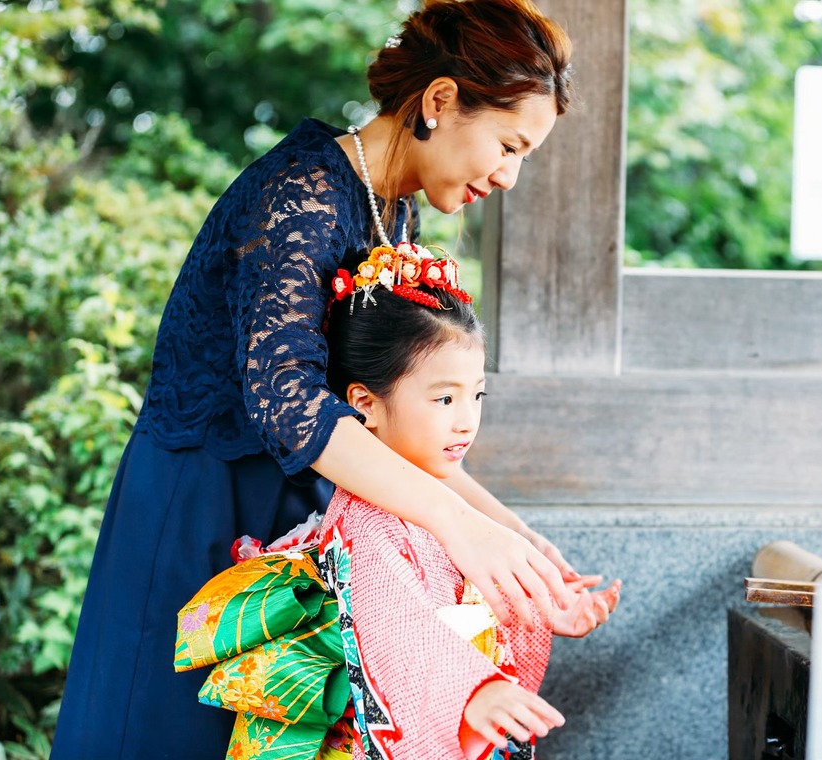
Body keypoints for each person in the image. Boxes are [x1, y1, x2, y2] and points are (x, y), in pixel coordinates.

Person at [53, 1, 582, 757]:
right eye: (508, 144)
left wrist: (516, 540)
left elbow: (386, 419)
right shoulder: (298, 194)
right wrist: (457, 528)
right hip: (204, 506)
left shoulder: (394, 212)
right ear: (440, 102)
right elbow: (289, 402)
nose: (510, 174)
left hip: (310, 515)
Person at [174, 243, 622, 760]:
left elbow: (482, 608)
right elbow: (395, 630)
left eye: (476, 395)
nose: (466, 420)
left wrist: (544, 609)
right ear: (365, 403)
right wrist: (474, 690)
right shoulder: (367, 519)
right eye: (444, 398)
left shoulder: (439, 496)